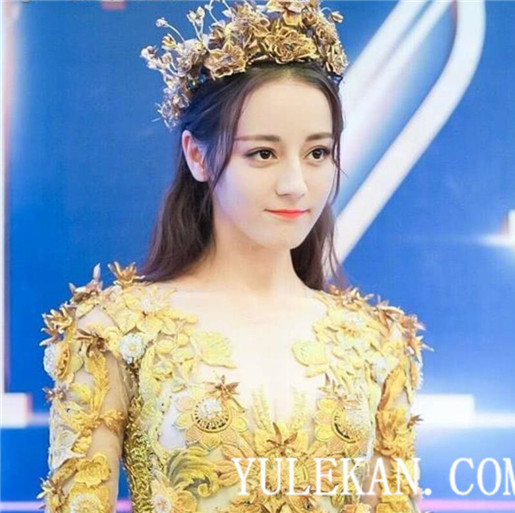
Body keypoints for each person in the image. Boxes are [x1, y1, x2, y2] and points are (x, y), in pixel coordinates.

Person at [37, 1, 432, 512]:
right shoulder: (116, 333)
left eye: (317, 153)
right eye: (263, 153)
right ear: (197, 155)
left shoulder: (376, 343)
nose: (295, 185)